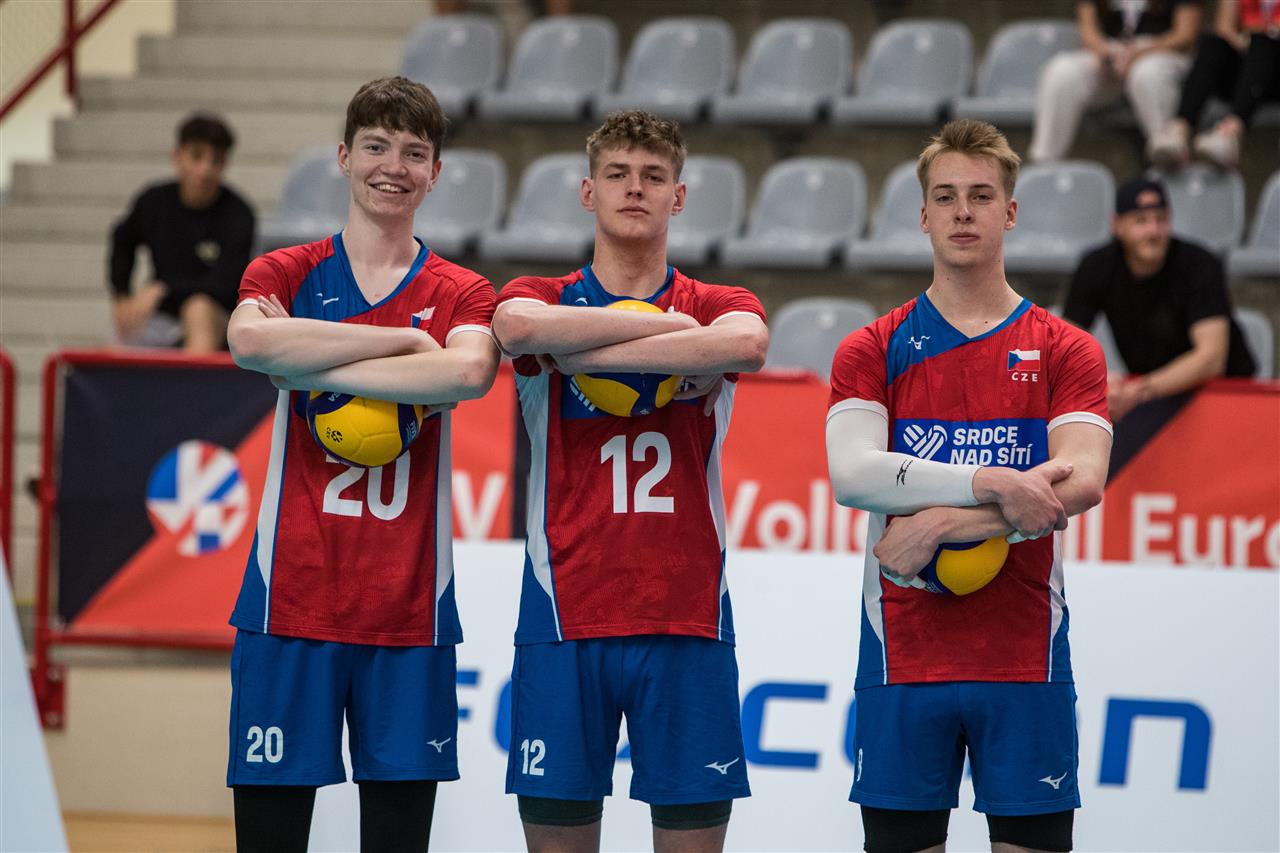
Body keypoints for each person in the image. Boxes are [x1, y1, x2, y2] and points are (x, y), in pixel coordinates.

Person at [223, 76, 500, 852]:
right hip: (288, 603)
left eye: (414, 153)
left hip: (409, 612)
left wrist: (303, 360)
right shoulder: (287, 270)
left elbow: (467, 371)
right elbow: (248, 341)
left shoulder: (462, 289)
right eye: (376, 146)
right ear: (344, 156)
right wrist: (406, 343)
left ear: (435, 172)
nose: (393, 167)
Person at [825, 119, 1113, 853]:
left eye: (981, 196)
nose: (963, 211)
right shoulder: (871, 347)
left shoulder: (1066, 348)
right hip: (902, 657)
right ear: (922, 214)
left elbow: (1082, 480)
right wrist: (990, 483)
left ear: (1009, 211)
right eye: (946, 196)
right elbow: (852, 475)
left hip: (1025, 659)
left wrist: (944, 522)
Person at [491, 110, 769, 853]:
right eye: (617, 174)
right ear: (589, 192)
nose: (634, 188)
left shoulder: (718, 304)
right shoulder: (541, 293)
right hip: (563, 617)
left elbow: (749, 344)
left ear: (679, 196)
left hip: (686, 620)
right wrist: (673, 339)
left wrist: (580, 350)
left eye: (653, 176)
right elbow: (516, 330)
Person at [1063, 176, 1256, 478]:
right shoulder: (1097, 266)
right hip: (1153, 393)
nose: (1153, 230)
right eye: (1141, 221)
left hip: (1219, 395)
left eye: (1161, 219)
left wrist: (1140, 391)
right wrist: (1100, 383)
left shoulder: (1199, 263)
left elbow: (1211, 358)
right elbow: (1065, 346)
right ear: (1117, 225)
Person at [108, 113, 256, 351]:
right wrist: (121, 296)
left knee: (198, 309)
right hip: (162, 317)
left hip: (217, 319)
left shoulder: (238, 214)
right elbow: (122, 240)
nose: (205, 170)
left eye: (216, 160)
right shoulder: (153, 202)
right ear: (177, 157)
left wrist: (164, 288)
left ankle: (194, 376)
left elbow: (226, 285)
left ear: (225, 164)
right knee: (116, 343)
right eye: (196, 157)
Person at [1028, 0, 1202, 164]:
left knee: (1147, 73)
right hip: (1112, 55)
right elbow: (1088, 32)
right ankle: (1044, 164)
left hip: (1162, 53)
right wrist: (1106, 52)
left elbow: (1185, 36)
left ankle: (1169, 157)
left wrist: (1139, 52)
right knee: (1061, 71)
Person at [1148, 0, 1280, 168]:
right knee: (1214, 43)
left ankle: (1231, 132)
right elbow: (1224, 27)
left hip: (1273, 70)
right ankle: (1180, 128)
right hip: (1248, 63)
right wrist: (1244, 42)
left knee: (1263, 44)